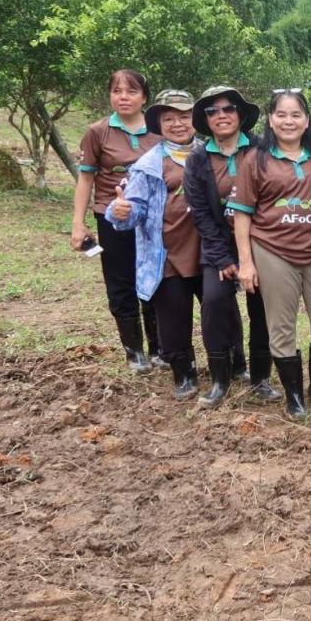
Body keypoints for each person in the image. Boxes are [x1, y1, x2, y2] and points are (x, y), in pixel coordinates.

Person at [229, 90, 311, 421]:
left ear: (306, 120)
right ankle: (294, 396)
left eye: (296, 114)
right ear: (270, 119)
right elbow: (242, 214)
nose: (288, 121)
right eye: (281, 114)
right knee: (281, 324)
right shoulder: (256, 159)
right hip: (272, 249)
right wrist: (247, 262)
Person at [184, 85, 281, 409]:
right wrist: (223, 257)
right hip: (219, 248)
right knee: (213, 304)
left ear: (240, 114)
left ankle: (261, 379)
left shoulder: (261, 149)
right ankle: (220, 379)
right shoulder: (197, 158)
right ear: (206, 119)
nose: (221, 116)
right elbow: (200, 212)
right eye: (213, 111)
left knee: (262, 310)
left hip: (262, 243)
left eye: (228, 109)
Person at [105, 90, 203, 400]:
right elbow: (130, 208)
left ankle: (229, 364)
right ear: (159, 123)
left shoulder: (211, 153)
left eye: (184, 116)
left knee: (219, 310)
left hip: (209, 251)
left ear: (195, 120)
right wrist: (120, 211)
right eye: (169, 118)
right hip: (167, 253)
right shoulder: (148, 163)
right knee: (173, 315)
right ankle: (183, 372)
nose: (178, 123)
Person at [70, 69, 161, 373]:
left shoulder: (160, 128)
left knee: (154, 277)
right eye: (117, 91)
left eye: (131, 91)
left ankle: (159, 348)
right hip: (111, 217)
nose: (124, 97)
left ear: (144, 97)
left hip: (152, 220)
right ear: (110, 95)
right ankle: (134, 351)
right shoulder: (98, 132)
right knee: (120, 281)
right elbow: (86, 179)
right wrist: (78, 223)